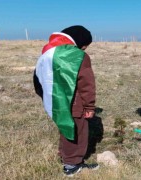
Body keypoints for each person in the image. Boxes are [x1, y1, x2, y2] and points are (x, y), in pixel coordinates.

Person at [33, 25, 99, 176]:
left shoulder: (48, 52)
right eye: (84, 46)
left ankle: (65, 157)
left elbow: (37, 79)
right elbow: (86, 84)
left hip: (57, 101)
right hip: (75, 103)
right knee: (77, 132)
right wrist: (89, 106)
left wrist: (46, 97)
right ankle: (72, 165)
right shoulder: (78, 56)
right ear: (80, 43)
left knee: (65, 128)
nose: (83, 49)